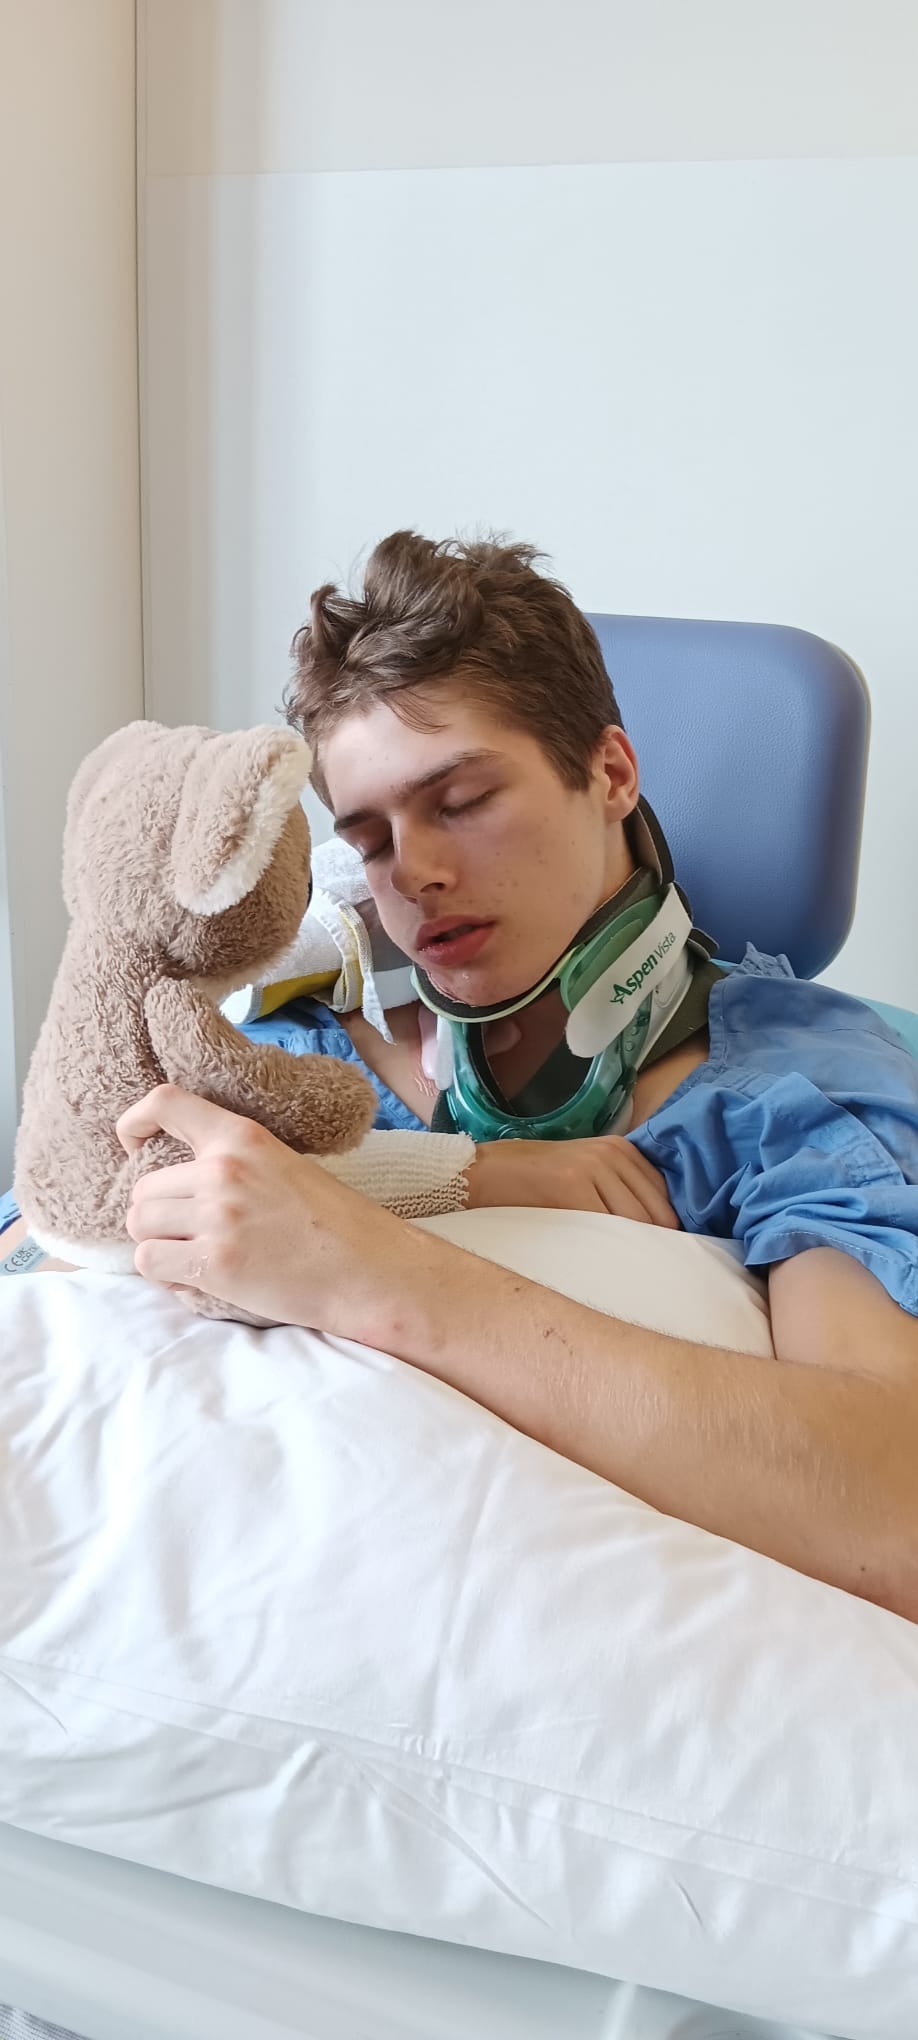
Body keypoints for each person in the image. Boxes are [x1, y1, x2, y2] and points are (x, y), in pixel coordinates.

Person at [11, 534, 918, 1620]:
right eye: (371, 840)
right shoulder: (279, 1054)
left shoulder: (797, 1097)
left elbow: (893, 1513)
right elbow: (44, 1267)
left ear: (611, 773)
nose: (419, 874)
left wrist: (366, 1267)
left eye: (463, 800)